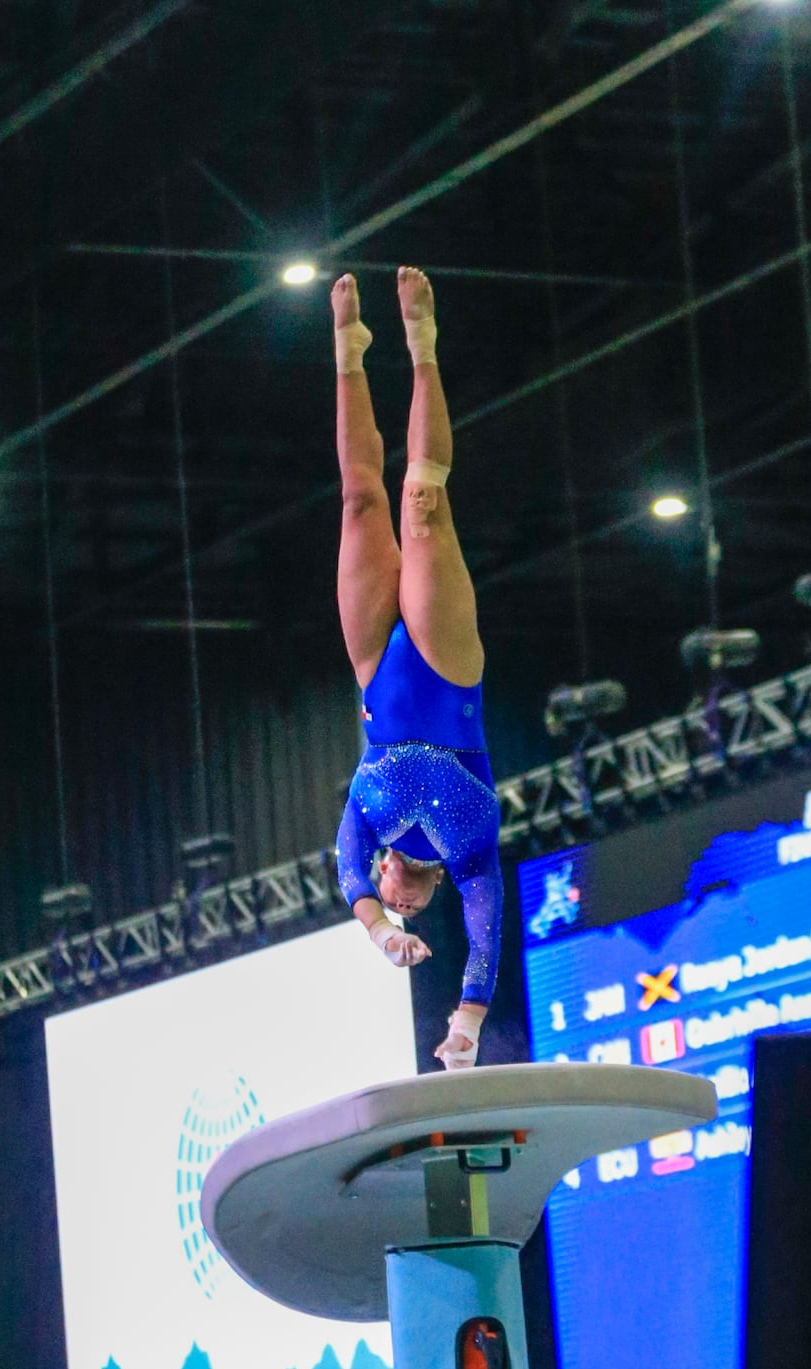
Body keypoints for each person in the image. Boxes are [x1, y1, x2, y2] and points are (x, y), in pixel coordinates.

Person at [333, 266, 502, 1071]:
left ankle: (350, 351)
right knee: (421, 499)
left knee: (360, 501)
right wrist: (465, 1026)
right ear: (426, 894)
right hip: (444, 674)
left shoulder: (366, 839)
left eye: (390, 901)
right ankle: (422, 342)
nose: (401, 903)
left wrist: (375, 930)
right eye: (409, 909)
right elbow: (488, 934)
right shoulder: (469, 857)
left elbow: (342, 871)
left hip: (376, 676)